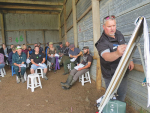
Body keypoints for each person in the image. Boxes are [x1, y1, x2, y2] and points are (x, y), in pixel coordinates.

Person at [95, 15, 134, 101]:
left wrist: (130, 59)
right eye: (109, 26)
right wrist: (117, 53)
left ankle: (119, 108)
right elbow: (106, 57)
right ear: (104, 27)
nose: (112, 28)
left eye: (114, 25)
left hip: (122, 71)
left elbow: (126, 47)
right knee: (111, 96)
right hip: (110, 74)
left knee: (122, 94)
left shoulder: (118, 33)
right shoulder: (101, 42)